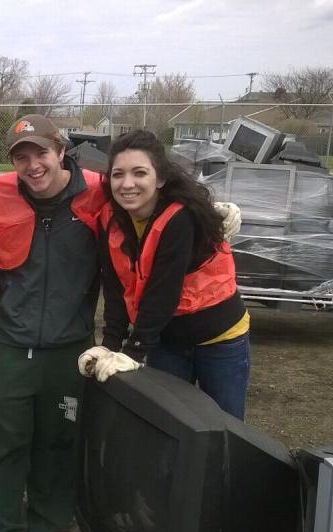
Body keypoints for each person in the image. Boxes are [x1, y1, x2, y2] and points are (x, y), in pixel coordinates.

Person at [0, 114, 108, 532]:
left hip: (70, 350)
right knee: (3, 445)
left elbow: (151, 198)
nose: (32, 165)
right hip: (7, 345)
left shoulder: (99, 193)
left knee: (59, 442)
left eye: (40, 153)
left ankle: (48, 530)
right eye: (21, 157)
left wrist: (207, 208)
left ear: (61, 150)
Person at [78, 129, 250, 419]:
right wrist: (109, 345)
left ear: (160, 178)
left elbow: (163, 290)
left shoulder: (180, 217)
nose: (127, 184)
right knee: (169, 426)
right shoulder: (111, 220)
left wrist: (132, 352)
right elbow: (115, 288)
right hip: (167, 340)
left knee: (225, 428)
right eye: (118, 174)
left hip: (219, 338)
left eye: (139, 173)